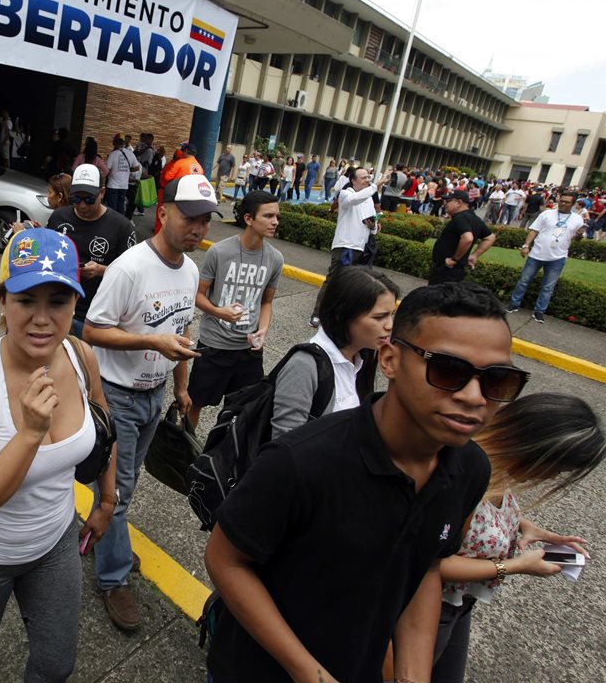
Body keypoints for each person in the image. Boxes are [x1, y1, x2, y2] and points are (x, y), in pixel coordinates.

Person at [205, 282, 523, 683]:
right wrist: (311, 674)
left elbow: (425, 565)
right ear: (390, 360)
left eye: (497, 380)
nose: (475, 397)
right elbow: (225, 560)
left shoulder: (470, 469)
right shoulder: (301, 461)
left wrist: (412, 674)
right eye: (448, 370)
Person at [0, 227, 117, 683]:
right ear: (2, 301)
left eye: (58, 301)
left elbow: (104, 426)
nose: (41, 319)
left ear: (75, 305)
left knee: (56, 665)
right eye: (25, 300)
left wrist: (108, 500)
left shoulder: (80, 355)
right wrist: (30, 434)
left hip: (55, 543)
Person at [83, 173, 217, 631]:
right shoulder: (129, 268)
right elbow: (92, 330)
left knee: (125, 485)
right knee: (116, 492)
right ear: (163, 213)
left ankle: (106, 537)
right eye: (189, 218)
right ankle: (112, 578)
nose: (198, 229)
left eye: (205, 220)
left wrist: (181, 387)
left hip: (155, 396)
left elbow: (181, 331)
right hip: (117, 396)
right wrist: (151, 342)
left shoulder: (191, 270)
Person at [431, 392, 606, 682]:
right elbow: (434, 565)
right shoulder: (465, 476)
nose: (552, 478)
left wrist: (522, 525)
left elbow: (482, 515)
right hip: (430, 607)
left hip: (460, 603)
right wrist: (515, 566)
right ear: (535, 448)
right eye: (557, 469)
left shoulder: (494, 469)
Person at [186, 190, 283, 427]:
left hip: (248, 352)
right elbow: (198, 295)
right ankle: (183, 445)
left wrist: (263, 330)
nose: (275, 222)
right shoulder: (220, 252)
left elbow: (266, 302)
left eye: (276, 216)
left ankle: (223, 449)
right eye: (268, 216)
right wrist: (219, 312)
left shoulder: (275, 258)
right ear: (249, 218)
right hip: (214, 347)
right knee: (194, 403)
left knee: (242, 412)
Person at [272, 265, 400, 439]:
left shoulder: (361, 357)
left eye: (392, 314)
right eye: (379, 317)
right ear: (341, 315)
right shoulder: (304, 366)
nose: (390, 325)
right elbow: (285, 445)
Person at [47, 164, 137, 338]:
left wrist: (101, 270)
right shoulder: (59, 217)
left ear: (102, 193)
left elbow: (134, 275)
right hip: (58, 309)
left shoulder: (121, 227)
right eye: (76, 198)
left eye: (89, 199)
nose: (81, 205)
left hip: (96, 316)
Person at [310, 165, 377, 325]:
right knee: (333, 281)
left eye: (368, 177)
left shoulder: (369, 199)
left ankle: (340, 316)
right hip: (345, 246)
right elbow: (355, 200)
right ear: (353, 180)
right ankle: (318, 314)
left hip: (362, 248)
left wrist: (373, 226)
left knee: (353, 285)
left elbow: (374, 226)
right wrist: (376, 186)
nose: (367, 180)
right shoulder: (347, 194)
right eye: (363, 177)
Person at [506, 190, 586, 323]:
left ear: (573, 204)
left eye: (566, 202)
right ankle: (514, 304)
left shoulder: (577, 219)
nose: (562, 203)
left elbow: (577, 239)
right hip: (537, 254)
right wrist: (526, 245)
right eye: (561, 200)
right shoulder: (547, 214)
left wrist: (579, 235)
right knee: (524, 280)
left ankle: (539, 311)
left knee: (548, 287)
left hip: (558, 257)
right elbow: (534, 230)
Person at [429, 190, 495, 285]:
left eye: (448, 201)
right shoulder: (475, 219)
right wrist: (475, 255)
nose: (445, 204)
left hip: (447, 270)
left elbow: (468, 238)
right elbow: (490, 237)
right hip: (455, 270)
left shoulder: (460, 218)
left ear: (459, 203)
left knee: (437, 293)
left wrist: (454, 259)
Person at [155, 142, 205, 232]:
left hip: (175, 196)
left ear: (186, 151)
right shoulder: (199, 167)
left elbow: (167, 177)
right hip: (190, 199)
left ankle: (160, 234)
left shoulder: (180, 163)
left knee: (165, 214)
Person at [104, 133, 140, 214]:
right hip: (124, 186)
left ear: (115, 143)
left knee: (112, 208)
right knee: (120, 207)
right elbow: (137, 167)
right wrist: (127, 169)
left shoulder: (113, 154)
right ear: (124, 143)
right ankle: (120, 221)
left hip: (112, 185)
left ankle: (112, 221)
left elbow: (107, 169)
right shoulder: (130, 153)